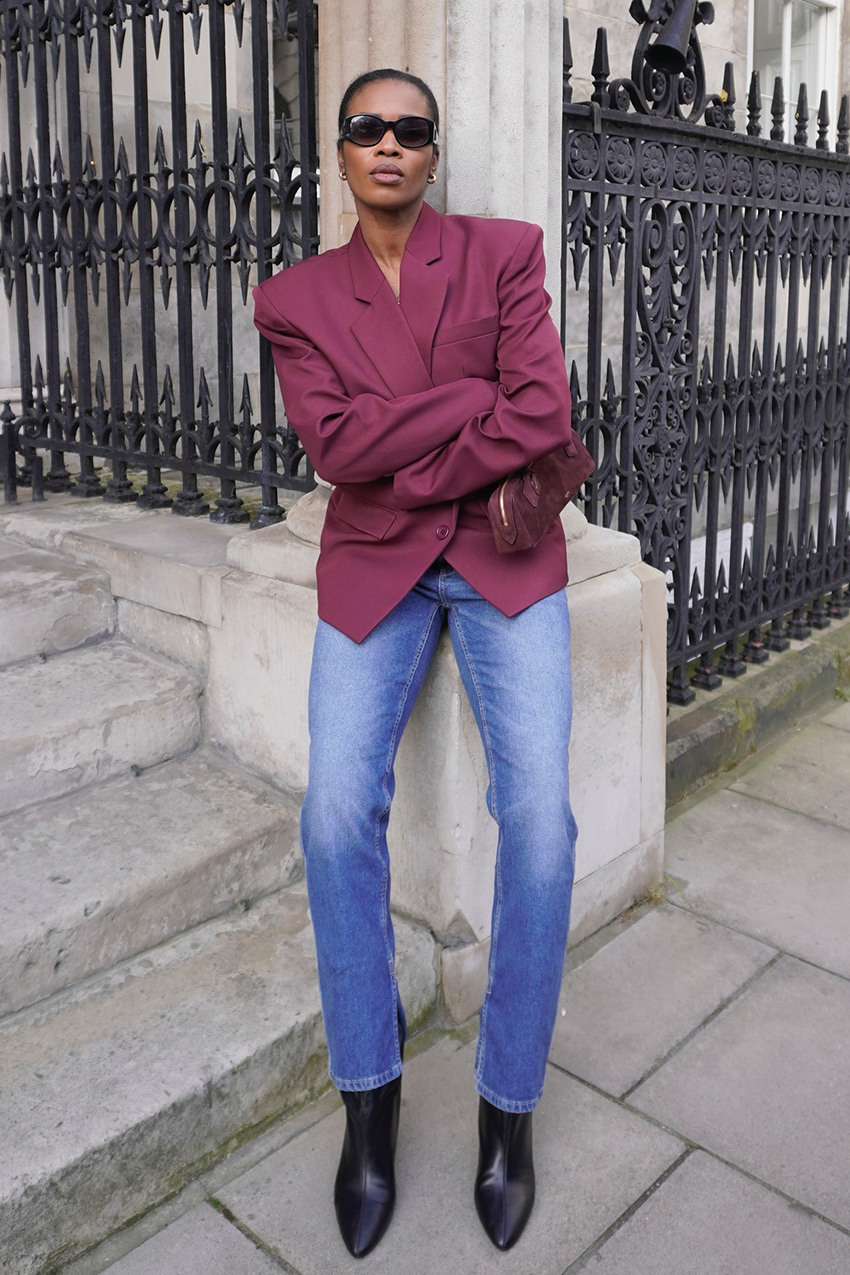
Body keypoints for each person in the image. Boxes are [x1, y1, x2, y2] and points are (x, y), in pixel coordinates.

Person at [253, 67, 578, 1258]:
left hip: (502, 557)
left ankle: (507, 1117)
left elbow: (542, 413)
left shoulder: (500, 252)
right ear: (340, 154)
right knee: (336, 813)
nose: (388, 145)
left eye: (410, 130)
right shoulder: (292, 296)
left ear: (430, 152)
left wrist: (419, 438)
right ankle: (370, 1108)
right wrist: (466, 409)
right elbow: (335, 449)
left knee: (541, 820)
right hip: (378, 563)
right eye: (366, 129)